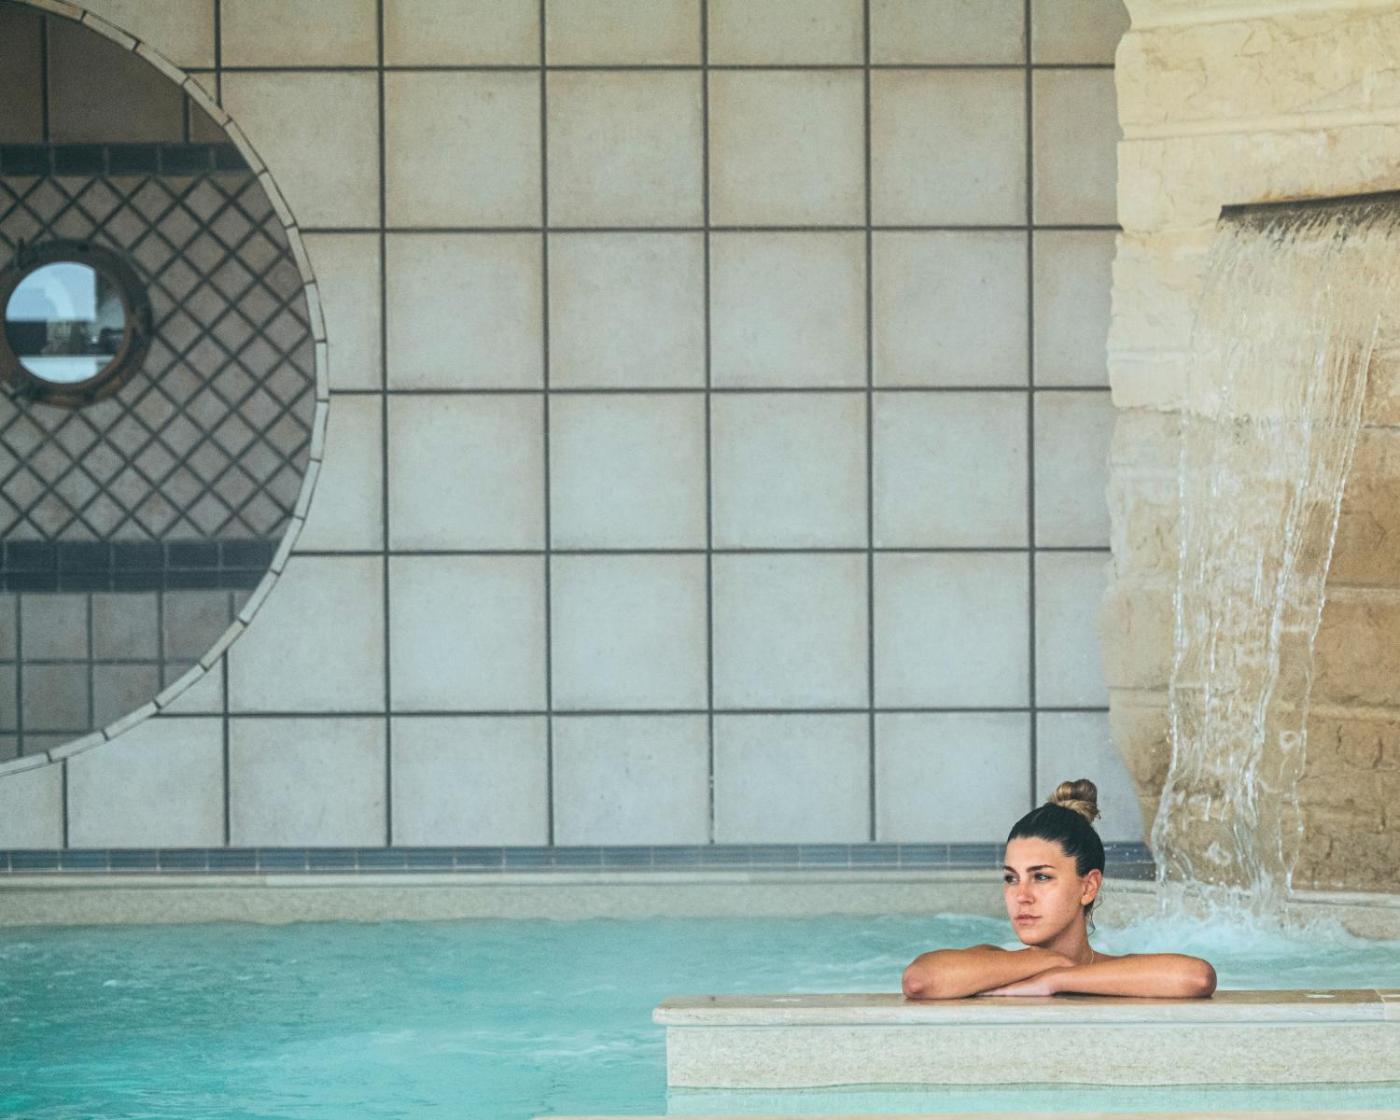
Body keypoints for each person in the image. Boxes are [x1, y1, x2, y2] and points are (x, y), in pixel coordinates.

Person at [901, 778, 1217, 1000]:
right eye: (1011, 878)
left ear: (1088, 887)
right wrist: (1047, 961)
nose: (1021, 895)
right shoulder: (991, 963)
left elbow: (1196, 977)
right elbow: (920, 980)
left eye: (1041, 877)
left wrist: (1057, 979)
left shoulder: (1119, 971)